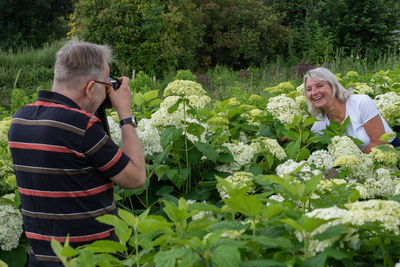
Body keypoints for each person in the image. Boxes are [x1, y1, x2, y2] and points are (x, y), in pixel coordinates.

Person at [8, 39, 146, 266]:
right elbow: (136, 177)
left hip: (42, 259)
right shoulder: (82, 126)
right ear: (90, 88)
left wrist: (96, 107)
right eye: (105, 85)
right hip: (91, 260)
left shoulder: (20, 119)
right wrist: (125, 115)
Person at [303, 67, 400, 153]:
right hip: (360, 167)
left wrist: (355, 162)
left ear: (333, 86)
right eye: (309, 89)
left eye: (319, 86)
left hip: (391, 151)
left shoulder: (361, 102)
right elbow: (308, 145)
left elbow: (379, 141)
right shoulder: (319, 122)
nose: (314, 92)